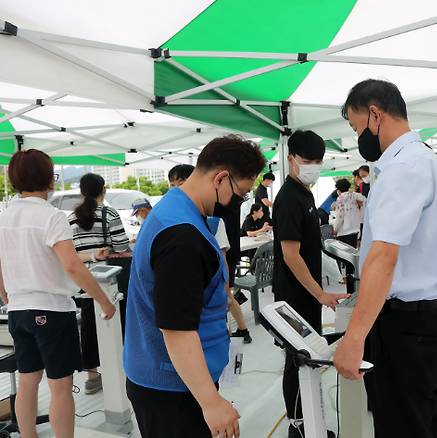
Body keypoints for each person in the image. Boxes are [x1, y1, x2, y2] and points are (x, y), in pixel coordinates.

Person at [334, 79, 437, 438]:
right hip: (428, 318)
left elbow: (383, 258)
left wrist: (354, 337)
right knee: (421, 420)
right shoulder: (428, 163)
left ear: (375, 114)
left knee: (402, 424)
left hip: (404, 326)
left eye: (358, 127)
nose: (359, 138)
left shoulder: (403, 169)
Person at [124, 135, 265, 438]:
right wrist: (210, 401)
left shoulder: (178, 209)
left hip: (178, 377)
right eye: (240, 193)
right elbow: (176, 329)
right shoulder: (181, 237)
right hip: (172, 387)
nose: (236, 203)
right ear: (221, 178)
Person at [0, 150, 115, 438]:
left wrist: (6, 297)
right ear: (50, 180)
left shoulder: (5, 216)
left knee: (27, 382)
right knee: (60, 386)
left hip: (19, 309)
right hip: (51, 310)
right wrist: (103, 299)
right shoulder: (52, 216)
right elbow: (71, 265)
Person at [272, 129, 348, 438]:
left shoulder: (305, 193)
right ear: (291, 159)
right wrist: (319, 293)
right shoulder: (289, 198)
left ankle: (307, 419)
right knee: (298, 360)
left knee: (308, 358)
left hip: (307, 293)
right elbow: (291, 255)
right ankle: (299, 425)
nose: (314, 165)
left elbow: (308, 247)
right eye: (307, 160)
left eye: (318, 160)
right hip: (295, 296)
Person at [67, 173, 130, 395]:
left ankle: (92, 377)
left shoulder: (71, 217)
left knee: (88, 326)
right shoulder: (109, 213)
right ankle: (122, 370)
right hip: (110, 278)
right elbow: (122, 247)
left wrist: (90, 254)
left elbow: (72, 254)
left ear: (82, 191)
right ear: (103, 190)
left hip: (85, 279)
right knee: (117, 322)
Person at [216, 217, 252, 344]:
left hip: (226, 262)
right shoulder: (222, 217)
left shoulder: (215, 220)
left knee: (227, 299)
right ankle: (243, 330)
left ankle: (231, 338)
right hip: (230, 258)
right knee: (229, 297)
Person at [333, 178, 366, 291]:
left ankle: (347, 277)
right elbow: (364, 199)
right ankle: (354, 274)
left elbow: (340, 216)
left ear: (338, 189)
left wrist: (335, 229)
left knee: (345, 256)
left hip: (345, 230)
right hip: (355, 228)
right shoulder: (354, 195)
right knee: (353, 253)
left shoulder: (340, 198)